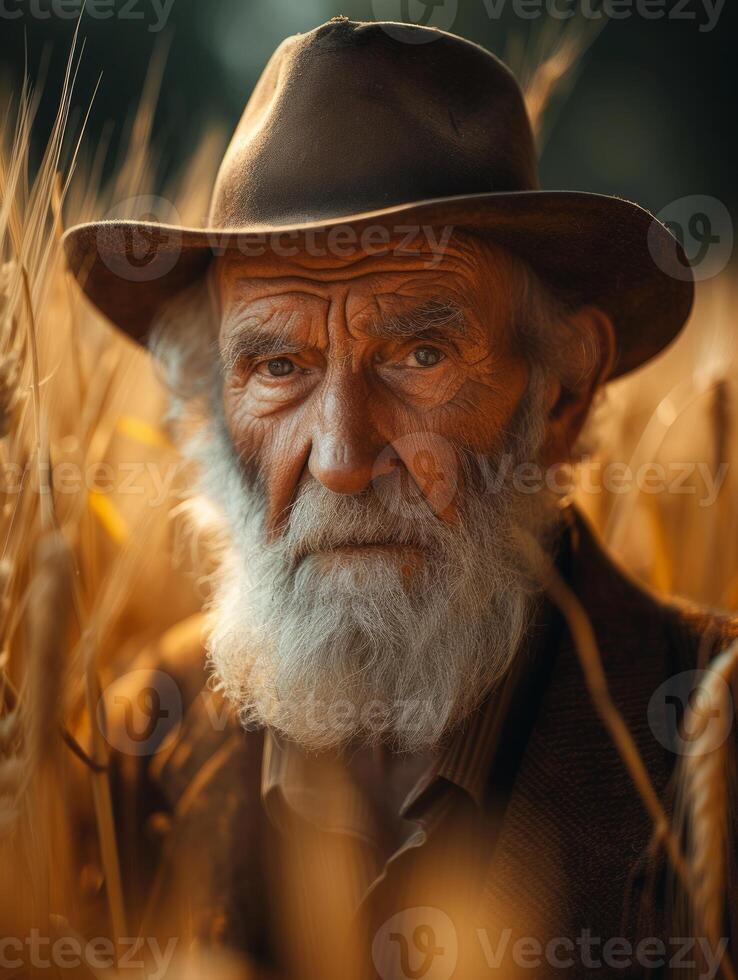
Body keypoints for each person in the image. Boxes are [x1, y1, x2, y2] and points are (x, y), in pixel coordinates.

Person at [63, 17, 737, 979]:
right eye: (280, 364)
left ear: (563, 392)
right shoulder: (131, 755)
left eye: (419, 355)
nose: (341, 455)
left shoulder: (715, 740)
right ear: (208, 405)